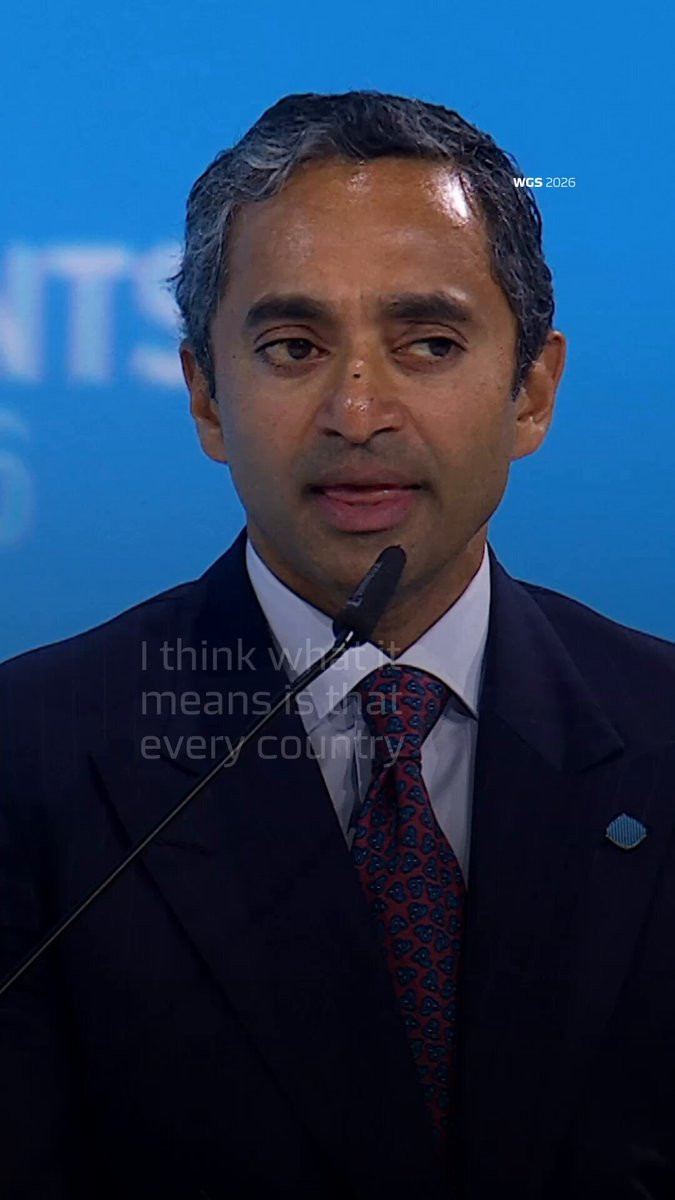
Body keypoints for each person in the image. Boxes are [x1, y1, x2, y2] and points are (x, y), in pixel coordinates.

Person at [1, 90, 674, 1200]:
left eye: (429, 344)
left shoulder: (658, 729)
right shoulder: (30, 754)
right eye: (294, 346)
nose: (357, 412)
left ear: (531, 391)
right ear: (205, 397)